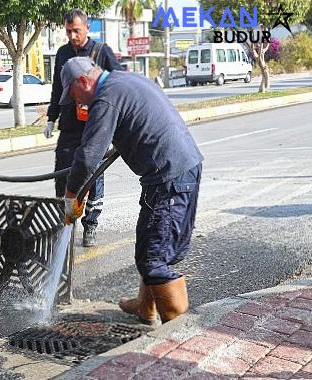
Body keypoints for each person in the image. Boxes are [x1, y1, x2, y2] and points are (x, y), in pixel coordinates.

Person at [60, 57, 203, 324]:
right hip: (178, 170)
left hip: (168, 178)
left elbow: (89, 156)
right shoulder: (125, 79)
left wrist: (70, 197)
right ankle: (144, 306)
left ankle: (179, 333)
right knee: (148, 245)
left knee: (154, 259)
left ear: (83, 81)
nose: (76, 101)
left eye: (73, 94)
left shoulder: (105, 97)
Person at [45, 9, 123, 247]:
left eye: (76, 30)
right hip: (69, 125)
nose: (72, 35)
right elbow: (58, 88)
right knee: (63, 172)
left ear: (87, 28)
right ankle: (66, 222)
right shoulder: (62, 53)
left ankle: (91, 225)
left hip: (95, 125)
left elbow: (119, 84)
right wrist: (51, 117)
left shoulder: (101, 52)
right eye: (68, 31)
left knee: (93, 174)